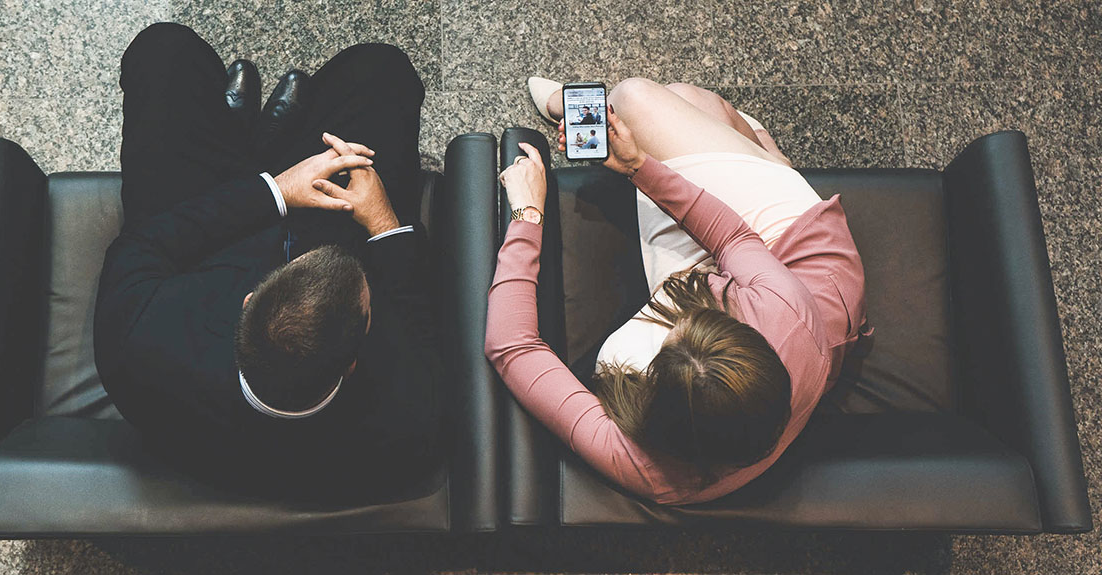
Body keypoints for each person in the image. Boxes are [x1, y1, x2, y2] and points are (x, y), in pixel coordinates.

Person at [94, 23, 440, 499]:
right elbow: (420, 322)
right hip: (334, 222)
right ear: (355, 360)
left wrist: (274, 190)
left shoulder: (138, 347)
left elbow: (143, 245)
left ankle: (256, 150)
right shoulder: (407, 427)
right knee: (380, 70)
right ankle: (272, 143)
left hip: (208, 238)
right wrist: (382, 223)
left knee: (164, 50)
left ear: (250, 300)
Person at [489, 77, 867, 504]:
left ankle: (763, 152)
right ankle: (767, 154)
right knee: (688, 102)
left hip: (766, 292)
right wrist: (637, 166)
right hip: (805, 261)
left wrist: (527, 213)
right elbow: (733, 239)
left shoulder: (643, 467)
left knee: (637, 98)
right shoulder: (787, 314)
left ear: (657, 406)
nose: (675, 312)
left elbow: (512, 346)